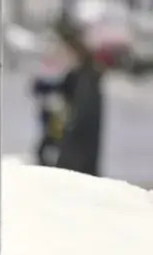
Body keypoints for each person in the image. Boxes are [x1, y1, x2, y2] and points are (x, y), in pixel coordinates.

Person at [53, 17, 104, 177]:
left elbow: (80, 119)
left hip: (78, 159)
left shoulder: (86, 78)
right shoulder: (78, 76)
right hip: (78, 154)